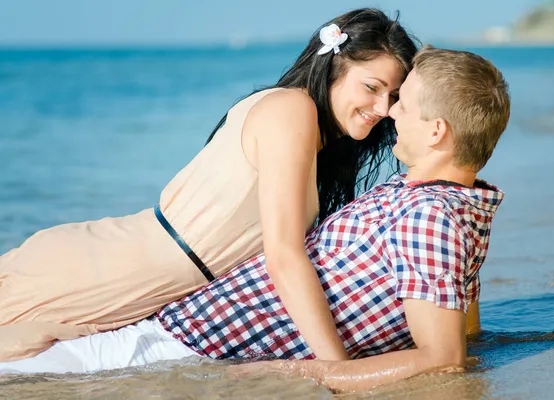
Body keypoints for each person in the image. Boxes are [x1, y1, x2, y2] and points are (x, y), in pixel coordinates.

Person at [0, 47, 510, 390]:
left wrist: (317, 373)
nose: (391, 112)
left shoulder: (432, 214)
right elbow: (462, 321)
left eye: (405, 103)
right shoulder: (438, 201)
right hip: (166, 327)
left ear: (437, 131)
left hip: (184, 348)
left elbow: (443, 358)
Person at [0, 8, 418, 362]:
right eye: (371, 87)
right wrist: (336, 367)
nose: (383, 108)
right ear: (332, 67)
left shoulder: (314, 135)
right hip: (101, 272)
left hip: (144, 285)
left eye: (394, 96)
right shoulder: (291, 109)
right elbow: (284, 256)